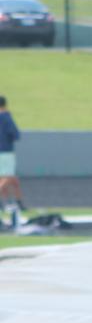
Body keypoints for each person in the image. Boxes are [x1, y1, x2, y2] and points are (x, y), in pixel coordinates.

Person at [0, 96, 21, 230]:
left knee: (6, 178)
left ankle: (9, 203)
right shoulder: (6, 117)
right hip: (5, 151)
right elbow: (16, 134)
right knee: (8, 177)